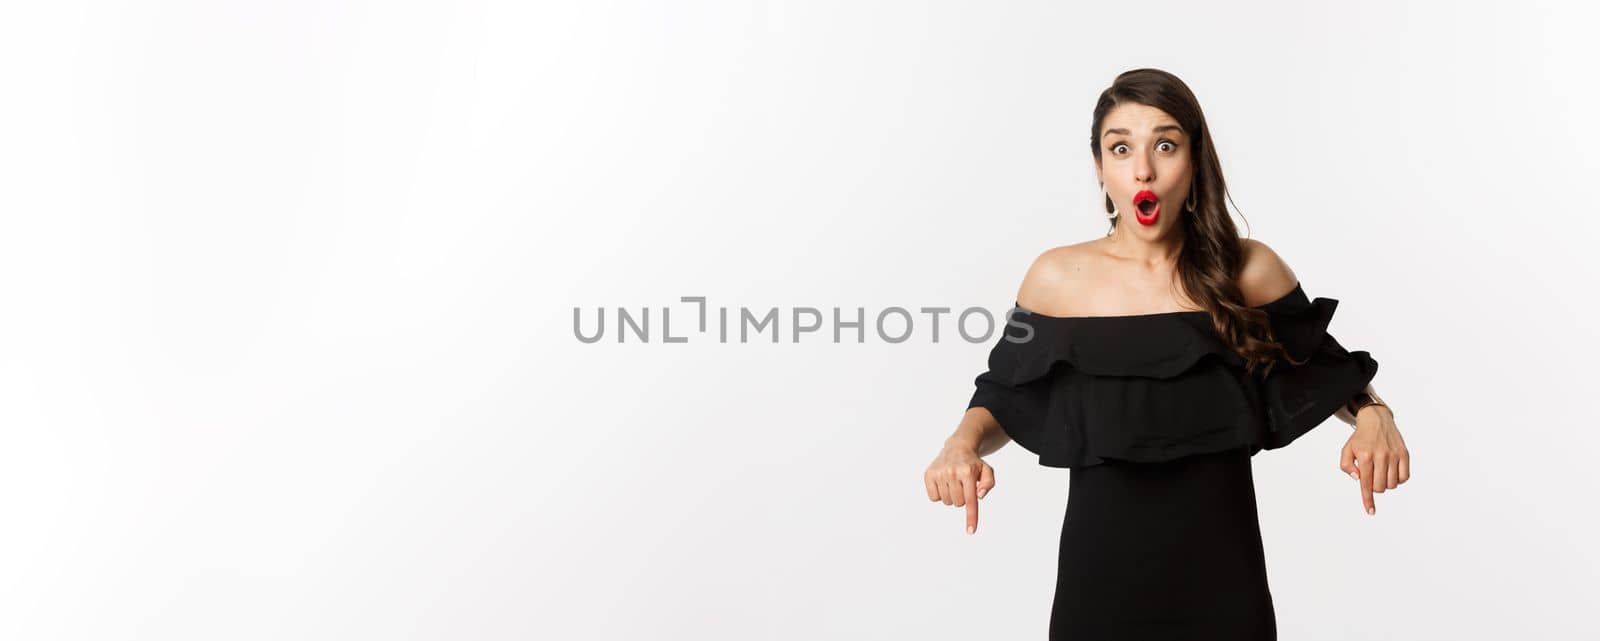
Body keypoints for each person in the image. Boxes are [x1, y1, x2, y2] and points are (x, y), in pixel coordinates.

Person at [922, 68, 1411, 640]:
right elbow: (1003, 394)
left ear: (1195, 162)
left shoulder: (1249, 271)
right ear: (1101, 169)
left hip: (1225, 589)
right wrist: (959, 445)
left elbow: (1330, 373)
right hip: (1098, 588)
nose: (1143, 168)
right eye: (1121, 148)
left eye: (1165, 145)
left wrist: (1376, 415)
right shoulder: (1057, 278)